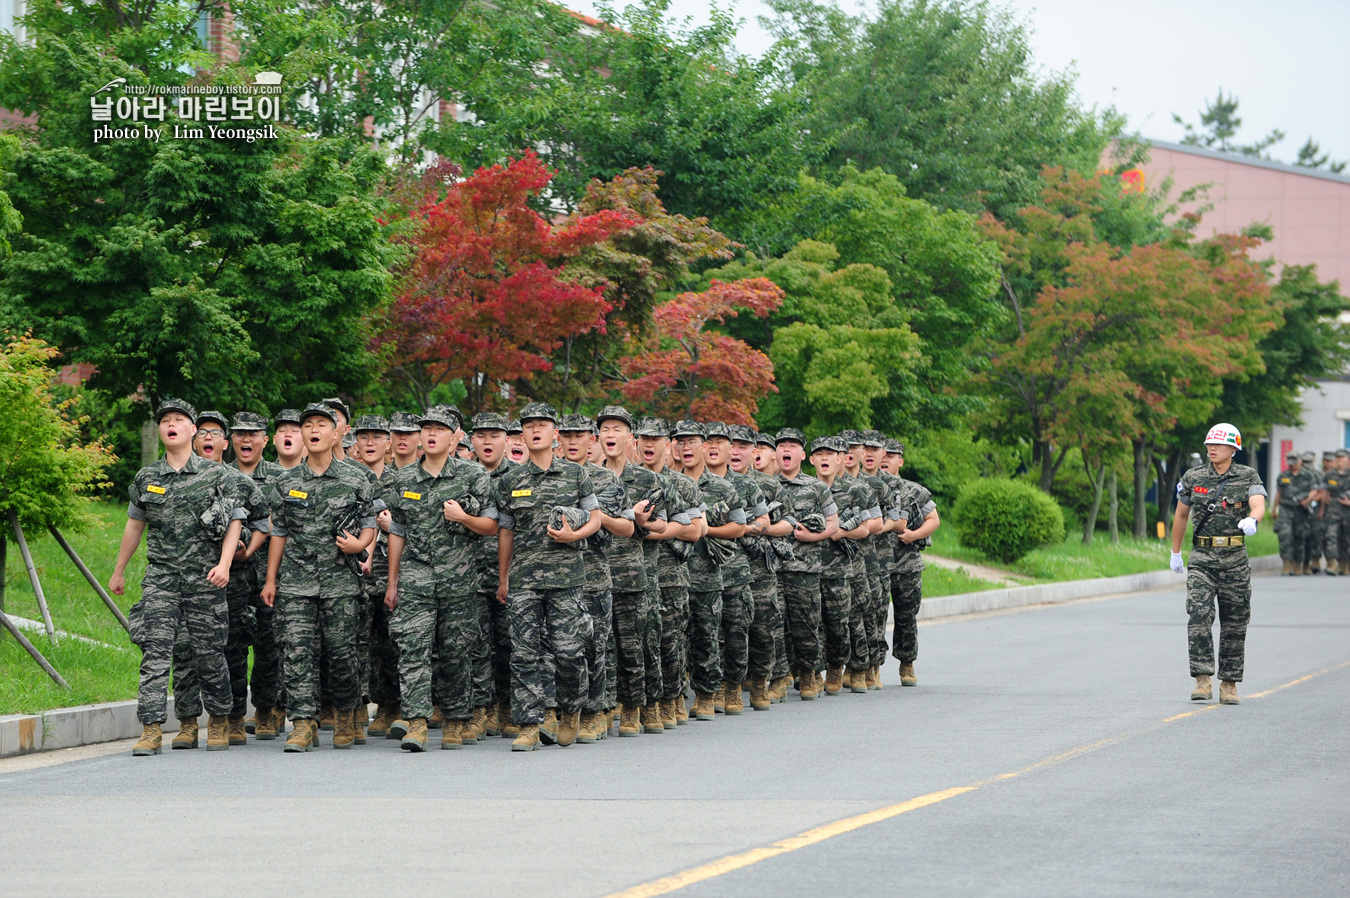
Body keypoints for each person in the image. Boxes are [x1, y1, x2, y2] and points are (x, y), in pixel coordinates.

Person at [111, 398, 248, 756]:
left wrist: (225, 564)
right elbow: (134, 524)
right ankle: (151, 728)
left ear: (192, 431)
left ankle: (218, 719)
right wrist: (119, 569)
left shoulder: (217, 475)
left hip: (205, 578)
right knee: (155, 652)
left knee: (208, 653)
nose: (170, 425)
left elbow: (235, 522)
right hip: (162, 578)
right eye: (165, 421)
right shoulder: (147, 477)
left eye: (178, 420)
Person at [260, 403, 378, 751]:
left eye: (321, 424)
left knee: (342, 654)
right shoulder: (287, 482)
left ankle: (345, 715)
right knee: (296, 652)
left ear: (338, 432)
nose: (313, 430)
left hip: (340, 581)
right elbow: (278, 532)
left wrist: (360, 545)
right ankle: (302, 723)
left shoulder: (357, 478)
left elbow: (371, 525)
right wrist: (271, 580)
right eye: (307, 424)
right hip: (296, 582)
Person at [383, 405, 498, 751]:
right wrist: (392, 582)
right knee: (413, 648)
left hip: (459, 578)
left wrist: (463, 517)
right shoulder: (402, 479)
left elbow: (491, 526)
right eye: (426, 429)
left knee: (456, 651)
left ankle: (455, 719)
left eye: (439, 429)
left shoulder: (473, 476)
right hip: (416, 577)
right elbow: (397, 532)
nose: (431, 434)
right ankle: (416, 722)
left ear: (454, 437)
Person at [495, 402, 602, 751]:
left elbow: (596, 519)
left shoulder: (575, 474)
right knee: (524, 653)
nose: (535, 430)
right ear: (522, 434)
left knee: (569, 652)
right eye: (529, 426)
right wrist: (503, 579)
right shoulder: (511, 480)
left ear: (554, 433)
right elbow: (506, 532)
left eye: (542, 424)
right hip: (525, 578)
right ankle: (529, 723)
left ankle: (571, 710)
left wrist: (575, 536)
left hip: (567, 578)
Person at [169, 411, 269, 749]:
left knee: (232, 650)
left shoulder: (238, 481)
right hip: (185, 580)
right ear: (195, 439)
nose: (209, 439)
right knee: (184, 651)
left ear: (225, 443)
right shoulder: (175, 476)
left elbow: (264, 522)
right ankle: (186, 723)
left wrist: (247, 551)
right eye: (204, 433)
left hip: (234, 582)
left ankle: (233, 718)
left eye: (217, 433)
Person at [1169, 423, 1267, 706]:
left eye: (1219, 445)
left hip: (1235, 559)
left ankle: (1229, 683)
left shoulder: (1247, 474)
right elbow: (1181, 515)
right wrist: (1176, 553)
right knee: (1198, 615)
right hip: (1202, 558)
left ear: (1233, 448)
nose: (1212, 449)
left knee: (1235, 621)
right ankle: (1202, 678)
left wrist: (1254, 518)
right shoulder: (1193, 476)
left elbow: (1258, 502)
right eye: (1209, 444)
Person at [559, 413, 632, 741]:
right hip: (555, 575)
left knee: (594, 645)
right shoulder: (550, 476)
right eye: (567, 436)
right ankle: (560, 712)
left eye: (580, 436)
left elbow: (628, 528)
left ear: (592, 440)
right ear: (558, 438)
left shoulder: (606, 480)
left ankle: (596, 712)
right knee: (557, 648)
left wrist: (599, 519)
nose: (573, 442)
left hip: (593, 574)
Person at [598, 406, 667, 734]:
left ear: (630, 438)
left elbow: (662, 525)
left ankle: (638, 705)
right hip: (594, 573)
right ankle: (602, 707)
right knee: (599, 646)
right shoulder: (587, 476)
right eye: (605, 430)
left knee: (635, 644)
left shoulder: (645, 479)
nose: (610, 435)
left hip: (633, 573)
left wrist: (643, 521)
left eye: (617, 429)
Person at [637, 417, 704, 726]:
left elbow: (695, 531)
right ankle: (643, 702)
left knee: (670, 640)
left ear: (669, 445)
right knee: (639, 642)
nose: (649, 444)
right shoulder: (628, 480)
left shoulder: (681, 484)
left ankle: (672, 696)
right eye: (644, 439)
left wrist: (656, 532)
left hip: (669, 575)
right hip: (635, 574)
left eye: (656, 439)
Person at [228, 411, 287, 740]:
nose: (246, 439)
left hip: (269, 574)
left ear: (266, 440)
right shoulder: (219, 477)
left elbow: (285, 527)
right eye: (240, 434)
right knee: (232, 646)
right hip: (231, 576)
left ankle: (266, 712)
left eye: (253, 434)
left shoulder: (280, 478)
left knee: (269, 646)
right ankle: (235, 716)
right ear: (231, 440)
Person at [704, 423, 766, 715]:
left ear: (731, 449)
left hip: (736, 569)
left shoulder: (745, 485)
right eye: (710, 441)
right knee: (707, 633)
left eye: (721, 441)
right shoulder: (692, 483)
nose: (714, 446)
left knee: (736, 631)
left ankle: (733, 687)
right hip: (702, 567)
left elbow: (763, 521)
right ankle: (712, 687)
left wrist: (745, 529)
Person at [773, 428, 839, 700]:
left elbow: (833, 525)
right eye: (782, 445)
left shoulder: (817, 488)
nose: (786, 450)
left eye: (792, 446)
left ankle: (809, 673)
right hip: (772, 568)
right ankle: (777, 678)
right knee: (773, 626)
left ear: (802, 454)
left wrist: (815, 535)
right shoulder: (765, 485)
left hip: (805, 569)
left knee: (806, 626)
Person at [809, 435, 870, 696]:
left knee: (839, 622)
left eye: (829, 453)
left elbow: (865, 529)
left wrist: (842, 532)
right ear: (811, 460)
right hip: (808, 568)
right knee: (809, 623)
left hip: (840, 569)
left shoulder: (854, 490)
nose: (824, 458)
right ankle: (812, 671)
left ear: (840, 459)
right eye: (819, 453)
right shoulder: (805, 489)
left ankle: (839, 667)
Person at [470, 412, 516, 737]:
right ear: (471, 440)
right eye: (481, 435)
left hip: (509, 576)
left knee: (509, 644)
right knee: (473, 645)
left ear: (507, 440)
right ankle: (478, 710)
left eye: (494, 435)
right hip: (468, 573)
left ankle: (508, 708)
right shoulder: (459, 476)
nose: (488, 441)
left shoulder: (519, 478)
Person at [884, 438, 939, 686]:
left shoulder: (914, 490)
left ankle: (907, 664)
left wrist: (914, 535)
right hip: (877, 563)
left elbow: (933, 519)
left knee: (907, 615)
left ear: (901, 461)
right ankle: (870, 666)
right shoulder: (867, 487)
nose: (885, 459)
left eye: (891, 456)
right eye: (882, 455)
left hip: (907, 562)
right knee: (872, 615)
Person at [1272, 452, 1316, 575]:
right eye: (1290, 463)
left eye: (1294, 463)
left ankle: (1298, 564)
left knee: (1299, 537)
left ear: (1300, 462)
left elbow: (1314, 491)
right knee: (1285, 535)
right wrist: (1274, 509)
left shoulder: (1308, 475)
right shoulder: (1283, 476)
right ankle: (1286, 564)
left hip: (1301, 511)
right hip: (1286, 510)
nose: (1291, 466)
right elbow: (1278, 493)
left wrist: (1307, 500)